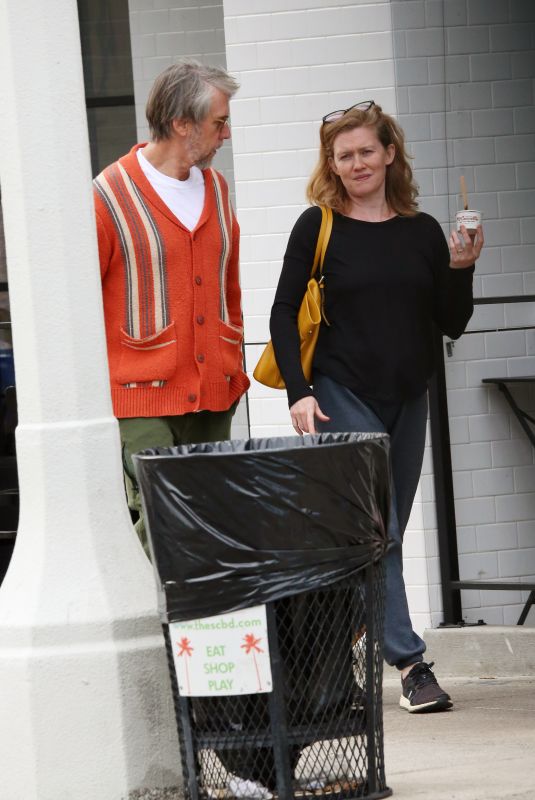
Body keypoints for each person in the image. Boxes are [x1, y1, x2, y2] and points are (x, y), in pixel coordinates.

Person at [269, 101, 484, 714]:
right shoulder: (317, 226)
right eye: (344, 156)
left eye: (366, 151)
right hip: (339, 396)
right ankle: (411, 664)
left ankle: (330, 658)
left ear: (390, 154)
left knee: (371, 535)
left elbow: (452, 322)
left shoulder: (420, 232)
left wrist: (463, 269)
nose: (356, 163)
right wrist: (299, 393)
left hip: (409, 399)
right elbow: (284, 313)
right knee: (380, 527)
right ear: (332, 166)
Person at [93, 59, 249, 555]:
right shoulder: (108, 196)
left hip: (214, 393)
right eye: (218, 122)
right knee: (161, 524)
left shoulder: (218, 191)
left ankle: (203, 632)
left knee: (213, 519)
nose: (226, 134)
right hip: (141, 395)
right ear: (183, 124)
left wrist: (231, 353)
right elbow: (84, 305)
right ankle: (154, 630)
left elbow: (230, 289)